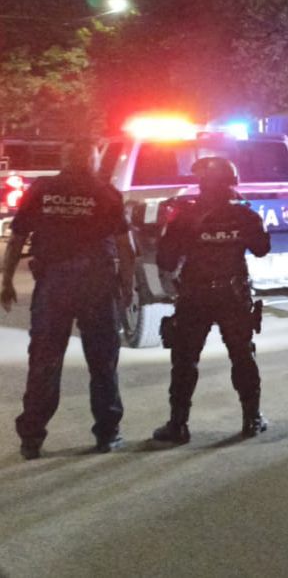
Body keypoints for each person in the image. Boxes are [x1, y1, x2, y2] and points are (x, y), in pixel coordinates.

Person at [1, 139, 134, 459]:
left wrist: (6, 280)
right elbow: (126, 247)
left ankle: (31, 438)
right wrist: (126, 288)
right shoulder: (106, 193)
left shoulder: (42, 190)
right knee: (103, 363)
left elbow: (17, 237)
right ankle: (107, 433)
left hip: (53, 286)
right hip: (97, 287)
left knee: (44, 363)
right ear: (93, 159)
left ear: (64, 157)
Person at [151, 156, 271, 444]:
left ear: (201, 184)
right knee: (242, 357)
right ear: (231, 185)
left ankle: (178, 425)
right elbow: (262, 249)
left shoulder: (186, 217)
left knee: (184, 362)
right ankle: (251, 419)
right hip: (233, 296)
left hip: (195, 296)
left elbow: (165, 260)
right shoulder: (246, 217)